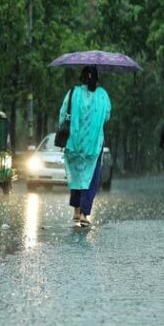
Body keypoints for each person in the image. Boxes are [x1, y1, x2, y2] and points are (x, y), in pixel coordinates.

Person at [58, 66, 111, 227]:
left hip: (74, 143)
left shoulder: (73, 93)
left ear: (82, 78)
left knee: (77, 175)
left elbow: (62, 115)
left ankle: (76, 210)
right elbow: (107, 116)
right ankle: (83, 214)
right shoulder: (102, 95)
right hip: (94, 145)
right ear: (97, 79)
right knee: (91, 177)